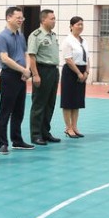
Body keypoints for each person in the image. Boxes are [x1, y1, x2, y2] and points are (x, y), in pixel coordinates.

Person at [0, 6, 35, 155]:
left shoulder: (20, 35)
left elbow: (26, 54)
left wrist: (27, 70)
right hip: (9, 76)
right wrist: (22, 70)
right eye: (18, 18)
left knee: (19, 110)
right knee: (5, 111)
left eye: (22, 18)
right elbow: (4, 58)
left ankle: (17, 140)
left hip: (22, 76)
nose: (20, 20)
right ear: (8, 18)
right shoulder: (2, 37)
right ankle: (3, 143)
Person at [28, 9, 61, 145]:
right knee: (39, 104)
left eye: (54, 18)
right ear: (43, 20)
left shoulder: (52, 35)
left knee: (50, 103)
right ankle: (36, 134)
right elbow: (32, 55)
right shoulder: (36, 35)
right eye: (52, 18)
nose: (54, 21)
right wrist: (35, 74)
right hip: (42, 70)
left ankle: (45, 132)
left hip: (53, 71)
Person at [60, 16, 89, 138]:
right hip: (71, 72)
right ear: (71, 26)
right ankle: (68, 128)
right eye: (78, 24)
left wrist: (87, 72)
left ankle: (75, 127)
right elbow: (68, 59)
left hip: (83, 71)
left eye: (82, 24)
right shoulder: (68, 40)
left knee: (77, 102)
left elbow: (87, 57)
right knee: (68, 101)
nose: (80, 26)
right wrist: (78, 73)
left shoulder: (84, 41)